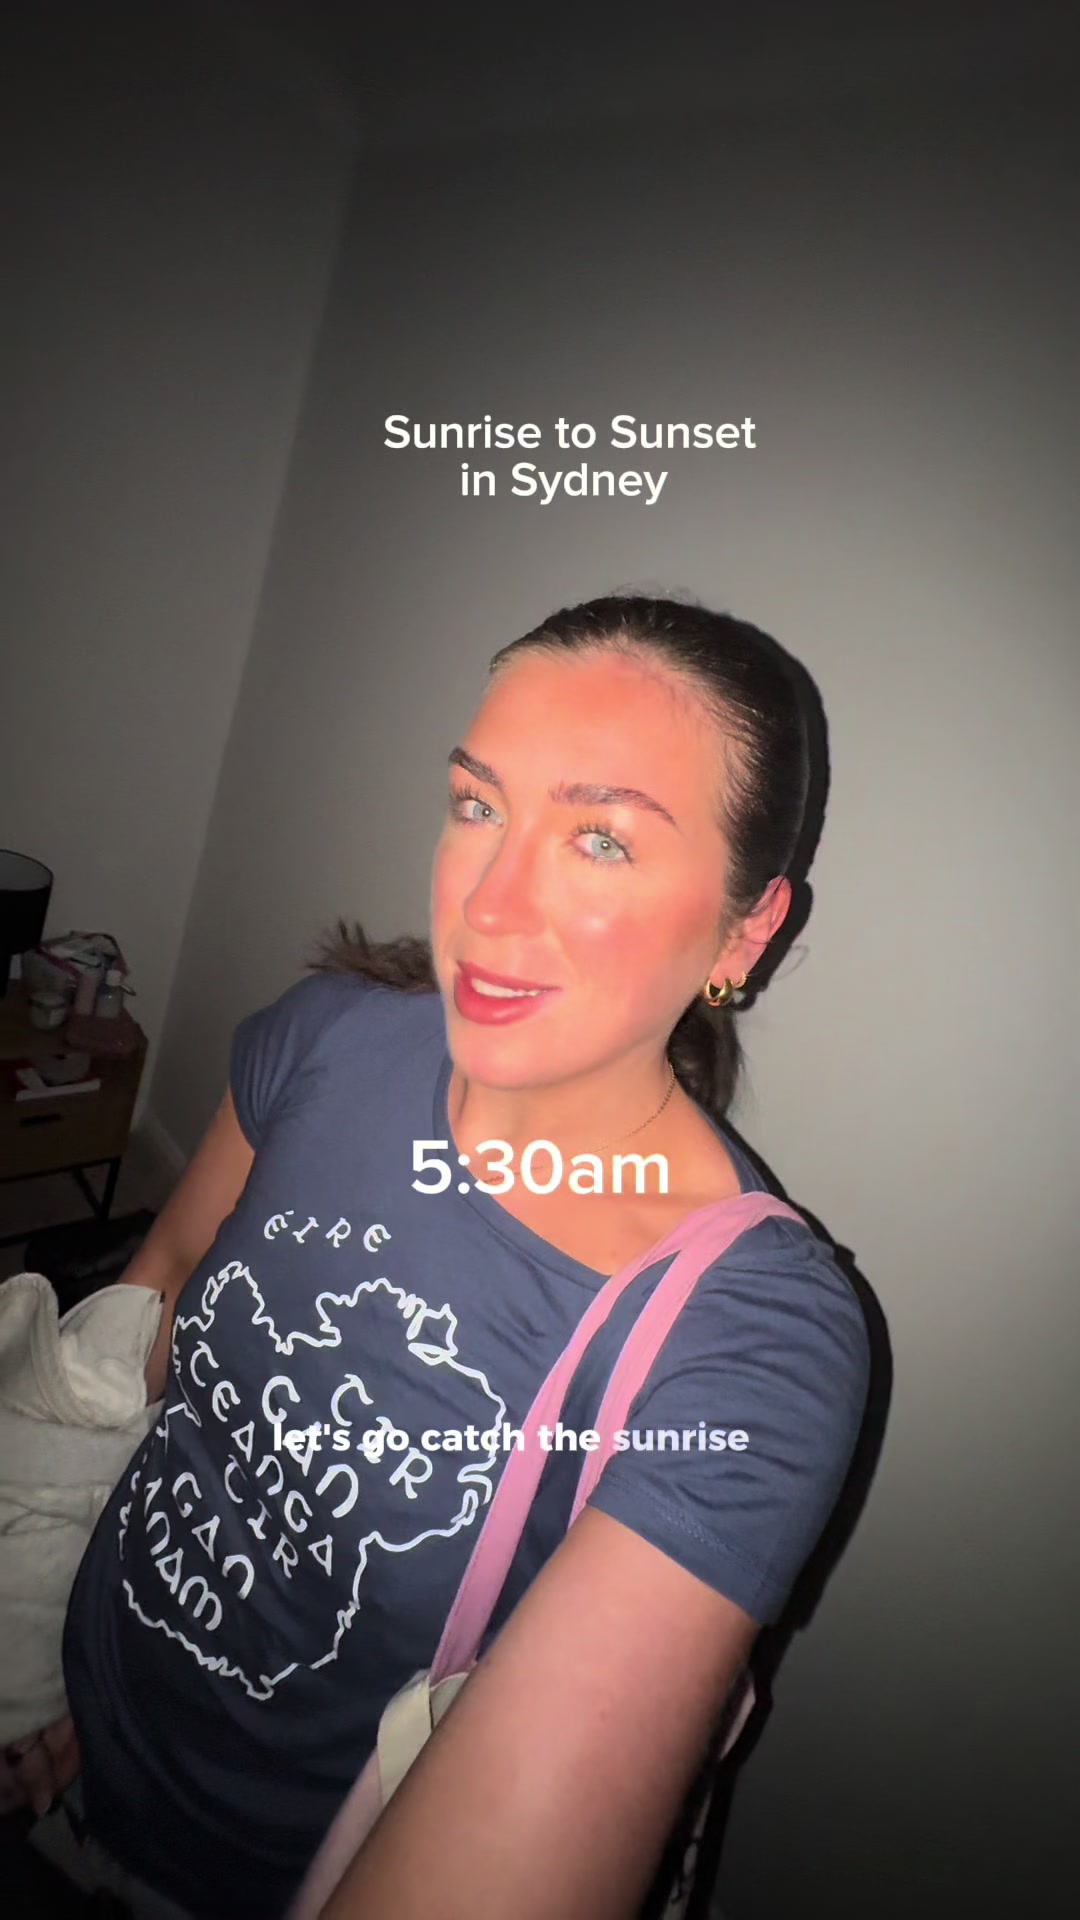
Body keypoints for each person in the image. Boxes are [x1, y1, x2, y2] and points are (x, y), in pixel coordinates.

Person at [5, 593, 870, 1919]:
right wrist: (43, 1637)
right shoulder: (334, 1037)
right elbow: (157, 1291)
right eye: (478, 805)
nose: (490, 901)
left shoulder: (752, 1343)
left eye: (600, 838)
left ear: (745, 932)